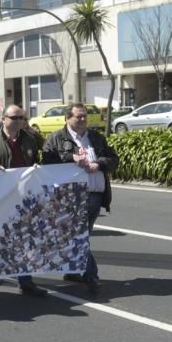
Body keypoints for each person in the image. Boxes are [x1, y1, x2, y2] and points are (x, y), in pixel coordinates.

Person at [41, 103, 120, 293]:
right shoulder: (56, 139)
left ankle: (74, 271)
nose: (83, 119)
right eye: (78, 116)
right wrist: (71, 157)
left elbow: (113, 160)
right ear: (67, 118)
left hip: (94, 195)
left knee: (81, 234)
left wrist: (99, 164)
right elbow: (47, 161)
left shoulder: (96, 138)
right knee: (79, 234)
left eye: (85, 116)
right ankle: (90, 274)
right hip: (68, 196)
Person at [0, 105, 48, 297]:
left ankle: (26, 281)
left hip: (24, 197)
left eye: (22, 118)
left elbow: (40, 159)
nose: (19, 122)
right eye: (15, 118)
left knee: (25, 239)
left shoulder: (30, 139)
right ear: (4, 118)